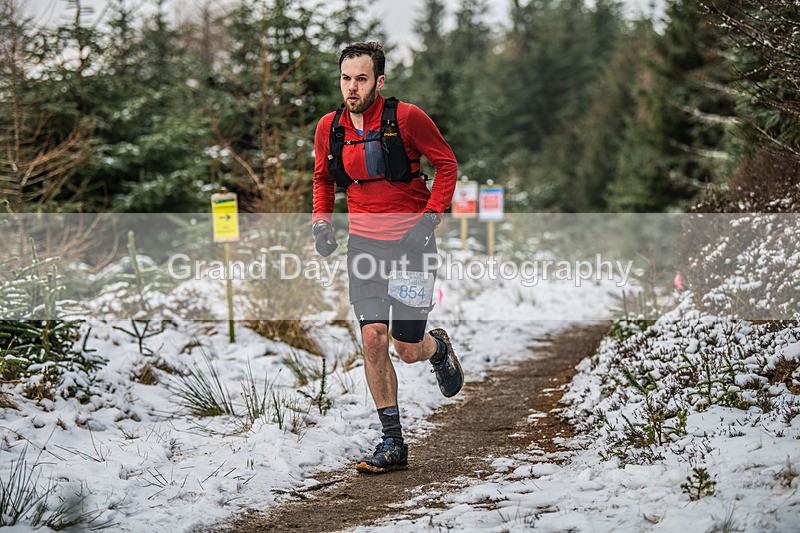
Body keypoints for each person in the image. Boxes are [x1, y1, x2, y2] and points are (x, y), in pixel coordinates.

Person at [312, 42, 464, 474]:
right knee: (373, 338)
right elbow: (323, 178)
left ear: (379, 80)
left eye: (361, 78)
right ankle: (392, 440)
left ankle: (437, 348)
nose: (352, 87)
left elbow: (447, 165)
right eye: (345, 78)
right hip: (364, 246)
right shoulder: (330, 127)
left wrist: (429, 218)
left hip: (411, 246)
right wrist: (321, 223)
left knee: (407, 348)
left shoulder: (407, 118)